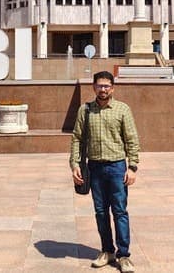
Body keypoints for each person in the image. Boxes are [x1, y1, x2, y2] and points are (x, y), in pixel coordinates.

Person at [70, 71, 140, 272]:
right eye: (100, 86)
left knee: (119, 211)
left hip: (117, 167)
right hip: (95, 168)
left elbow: (132, 139)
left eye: (107, 86)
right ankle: (107, 251)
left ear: (113, 88)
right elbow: (77, 138)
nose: (103, 89)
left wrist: (132, 167)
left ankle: (124, 255)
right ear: (94, 87)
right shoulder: (85, 110)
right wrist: (75, 164)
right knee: (101, 212)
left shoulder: (122, 109)